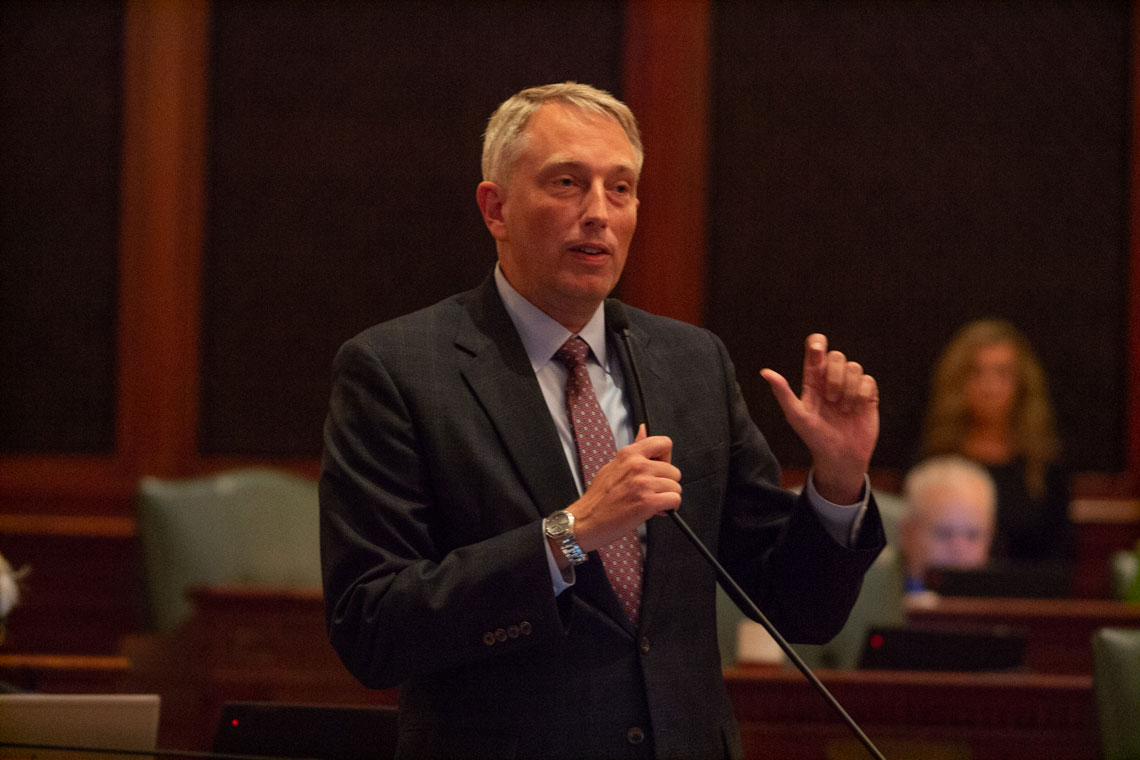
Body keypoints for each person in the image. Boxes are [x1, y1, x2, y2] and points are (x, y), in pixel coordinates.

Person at [319, 82, 885, 759]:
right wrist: (570, 534)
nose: (598, 213)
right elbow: (373, 627)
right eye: (567, 182)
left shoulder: (692, 364)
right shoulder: (398, 370)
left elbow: (798, 609)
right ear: (495, 208)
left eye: (621, 189)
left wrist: (839, 480)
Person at [921, 318, 1071, 564]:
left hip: (1027, 597)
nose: (989, 387)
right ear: (958, 381)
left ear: (1021, 383)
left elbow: (1061, 559)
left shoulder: (1044, 466)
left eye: (1002, 373)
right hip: (950, 595)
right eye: (976, 373)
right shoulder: (933, 458)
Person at [899, 455, 997, 593]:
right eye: (944, 533)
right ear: (908, 533)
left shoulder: (1008, 607)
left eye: (972, 535)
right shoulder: (877, 604)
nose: (959, 549)